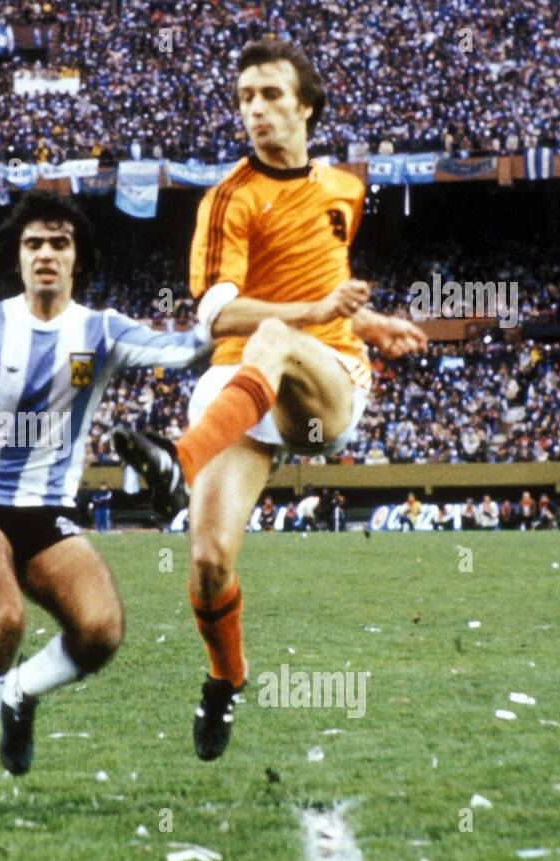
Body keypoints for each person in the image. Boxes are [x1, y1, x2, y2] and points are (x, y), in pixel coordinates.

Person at [111, 39, 427, 761]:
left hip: (322, 389)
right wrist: (317, 309)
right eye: (245, 97)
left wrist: (359, 321)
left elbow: (317, 292)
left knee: (283, 336)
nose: (255, 110)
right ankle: (226, 681)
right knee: (208, 561)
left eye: (271, 95)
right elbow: (214, 316)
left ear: (307, 106)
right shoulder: (229, 198)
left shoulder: (344, 188)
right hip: (242, 375)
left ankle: (175, 461)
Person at [0, 191, 208, 812]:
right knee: (4, 619)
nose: (45, 254)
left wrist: (231, 311)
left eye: (59, 244)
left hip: (47, 512)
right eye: (34, 243)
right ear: (18, 256)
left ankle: (20, 693)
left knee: (100, 630)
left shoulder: (101, 331)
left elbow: (187, 350)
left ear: (76, 259)